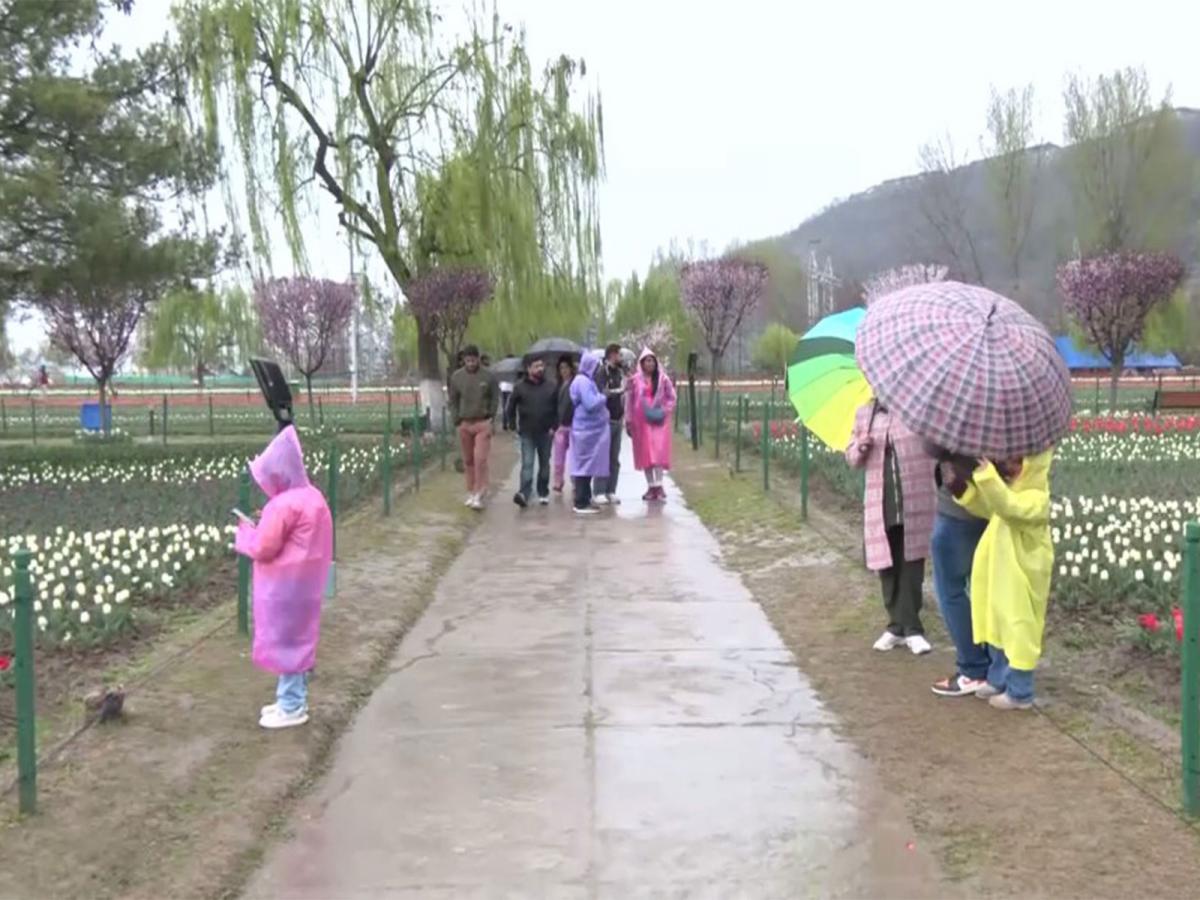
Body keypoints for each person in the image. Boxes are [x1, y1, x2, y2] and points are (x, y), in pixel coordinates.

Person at [234, 426, 333, 729]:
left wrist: (245, 533)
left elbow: (264, 547)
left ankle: (292, 706)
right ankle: (290, 699)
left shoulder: (283, 504)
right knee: (297, 639)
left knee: (287, 643)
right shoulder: (313, 496)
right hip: (307, 582)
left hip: (284, 586)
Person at [953, 452, 1055, 710]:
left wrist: (987, 475)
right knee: (998, 627)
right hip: (1001, 576)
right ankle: (998, 679)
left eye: (1018, 462)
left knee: (1019, 630)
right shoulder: (1010, 490)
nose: (1010, 466)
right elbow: (991, 508)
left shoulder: (1037, 499)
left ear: (1035, 466)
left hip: (1021, 580)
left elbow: (1009, 508)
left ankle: (1020, 692)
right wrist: (964, 491)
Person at [846, 400, 936, 655]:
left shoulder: (915, 408)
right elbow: (851, 457)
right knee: (886, 564)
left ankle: (913, 629)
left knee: (911, 561)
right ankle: (895, 626)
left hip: (914, 498)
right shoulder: (865, 414)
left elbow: (932, 449)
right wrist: (860, 446)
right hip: (881, 500)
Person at [929, 457, 992, 697]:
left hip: (958, 511)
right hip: (995, 510)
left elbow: (932, 446)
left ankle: (973, 668)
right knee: (987, 590)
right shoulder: (1011, 433)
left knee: (951, 591)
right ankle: (997, 666)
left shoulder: (960, 432)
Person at [448, 345, 497, 510]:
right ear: (464, 360)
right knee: (468, 460)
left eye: (473, 360)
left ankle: (480, 492)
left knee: (480, 459)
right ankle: (471, 491)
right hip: (464, 423)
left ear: (478, 359)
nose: (470, 363)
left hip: (482, 422)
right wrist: (456, 419)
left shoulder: (488, 376)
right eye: (468, 360)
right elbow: (453, 400)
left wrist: (491, 416)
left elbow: (495, 397)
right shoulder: (457, 377)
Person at [506, 357, 558, 507]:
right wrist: (512, 423)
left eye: (541, 365)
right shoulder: (520, 387)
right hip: (527, 432)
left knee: (544, 464)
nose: (540, 369)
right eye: (536, 366)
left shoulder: (551, 386)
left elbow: (557, 408)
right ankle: (524, 493)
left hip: (546, 432)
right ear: (528, 369)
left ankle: (543, 492)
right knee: (527, 463)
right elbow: (511, 406)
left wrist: (554, 426)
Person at [625, 348, 677, 501]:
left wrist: (665, 410)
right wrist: (628, 420)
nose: (650, 364)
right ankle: (651, 486)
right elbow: (629, 400)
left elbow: (672, 397)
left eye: (652, 360)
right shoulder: (635, 380)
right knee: (645, 454)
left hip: (659, 422)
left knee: (658, 453)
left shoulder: (663, 379)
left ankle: (659, 485)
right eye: (647, 361)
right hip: (641, 423)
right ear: (641, 363)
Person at [568, 350, 611, 515]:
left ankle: (585, 498)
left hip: (589, 430)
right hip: (586, 431)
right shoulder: (583, 382)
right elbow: (591, 404)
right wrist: (603, 397)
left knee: (586, 466)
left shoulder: (584, 381)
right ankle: (581, 502)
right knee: (583, 467)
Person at [593, 343, 625, 506]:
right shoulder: (602, 372)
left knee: (614, 458)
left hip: (618, 420)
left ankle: (611, 490)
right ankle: (599, 491)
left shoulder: (619, 373)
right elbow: (601, 393)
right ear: (612, 355)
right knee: (602, 457)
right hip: (605, 421)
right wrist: (616, 391)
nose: (621, 358)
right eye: (619, 354)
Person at [552, 355, 577, 494]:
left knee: (575, 457)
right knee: (559, 457)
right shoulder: (557, 386)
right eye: (561, 368)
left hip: (574, 425)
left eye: (566, 367)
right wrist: (554, 425)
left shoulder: (576, 384)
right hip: (560, 426)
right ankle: (558, 480)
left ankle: (575, 482)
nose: (564, 370)